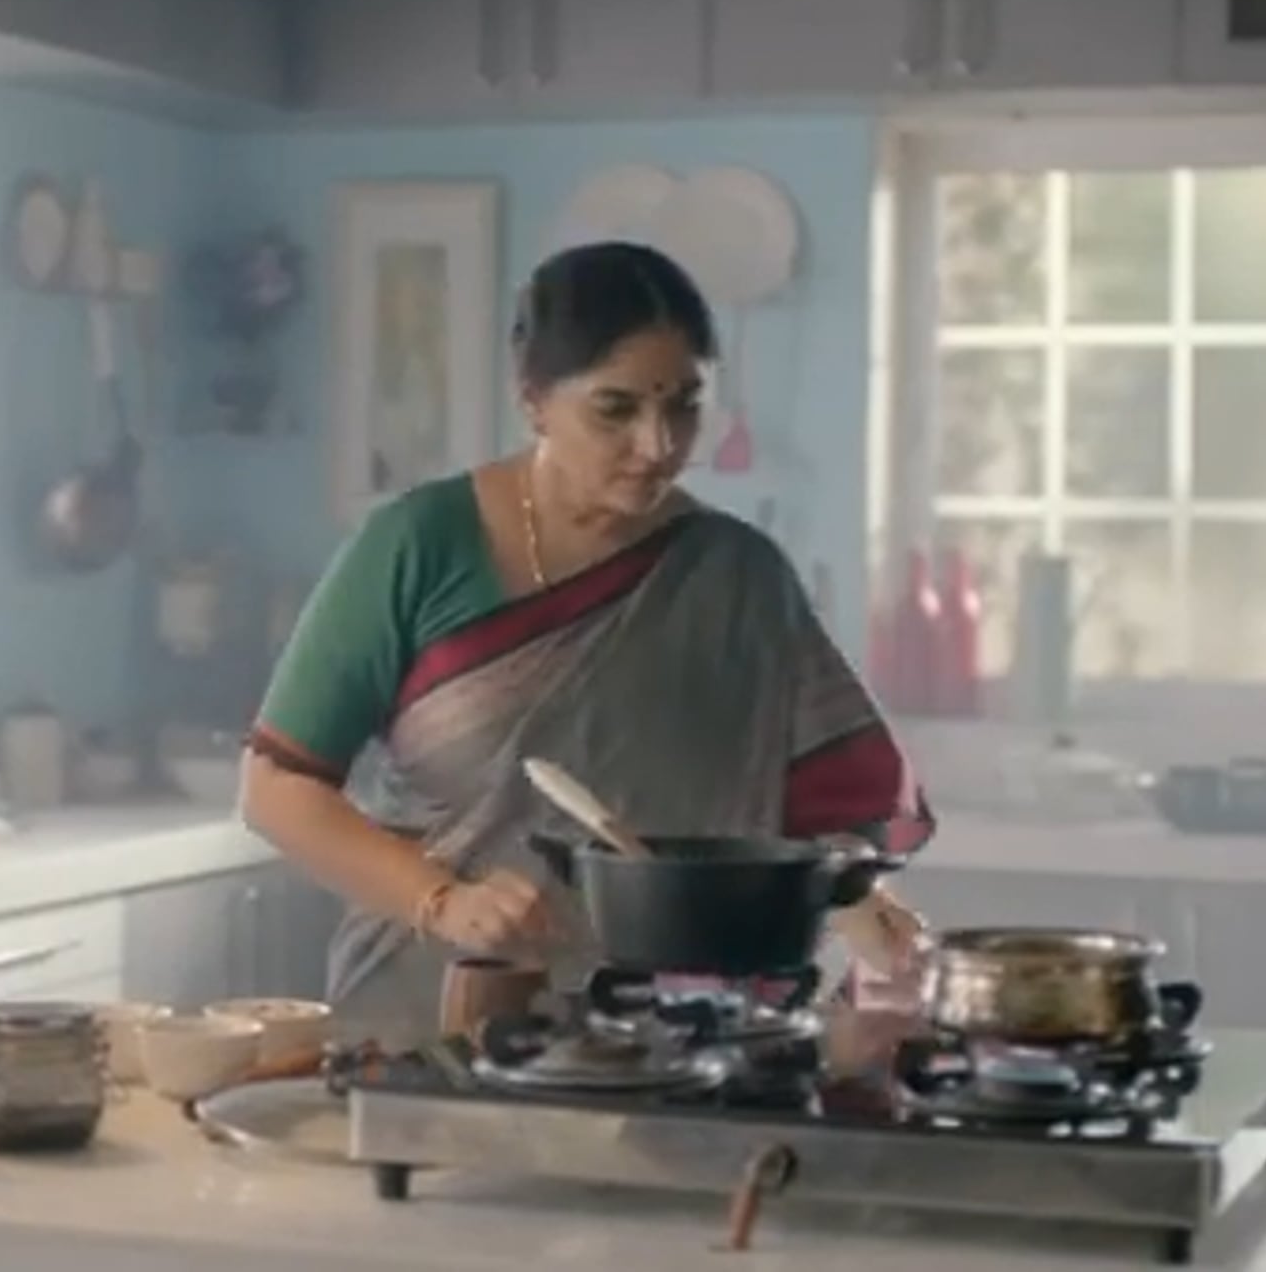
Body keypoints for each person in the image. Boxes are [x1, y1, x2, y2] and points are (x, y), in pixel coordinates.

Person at [242, 240, 936, 1046]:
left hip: (678, 1044)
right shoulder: (417, 546)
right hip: (434, 1018)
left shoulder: (739, 575)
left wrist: (859, 906)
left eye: (684, 405)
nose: (658, 443)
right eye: (616, 409)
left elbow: (820, 823)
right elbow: (277, 787)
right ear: (533, 400)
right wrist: (443, 901)